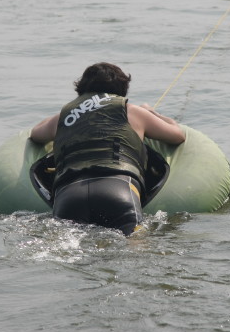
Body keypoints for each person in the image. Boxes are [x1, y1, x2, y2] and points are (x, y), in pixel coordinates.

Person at [30, 62, 185, 236]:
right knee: (136, 247)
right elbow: (178, 135)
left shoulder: (63, 117)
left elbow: (35, 134)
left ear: (80, 89)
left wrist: (69, 112)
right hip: (119, 188)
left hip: (69, 194)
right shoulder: (132, 111)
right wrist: (151, 112)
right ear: (122, 89)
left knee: (67, 247)